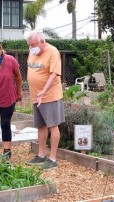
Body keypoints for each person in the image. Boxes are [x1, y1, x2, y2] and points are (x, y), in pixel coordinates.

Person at [26, 31, 65, 170]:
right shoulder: (32, 52)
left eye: (33, 44)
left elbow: (54, 74)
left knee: (53, 126)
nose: (31, 47)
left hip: (50, 95)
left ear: (42, 41)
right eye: (29, 45)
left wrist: (44, 90)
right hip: (36, 96)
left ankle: (53, 158)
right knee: (40, 126)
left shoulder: (53, 52)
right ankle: (41, 155)